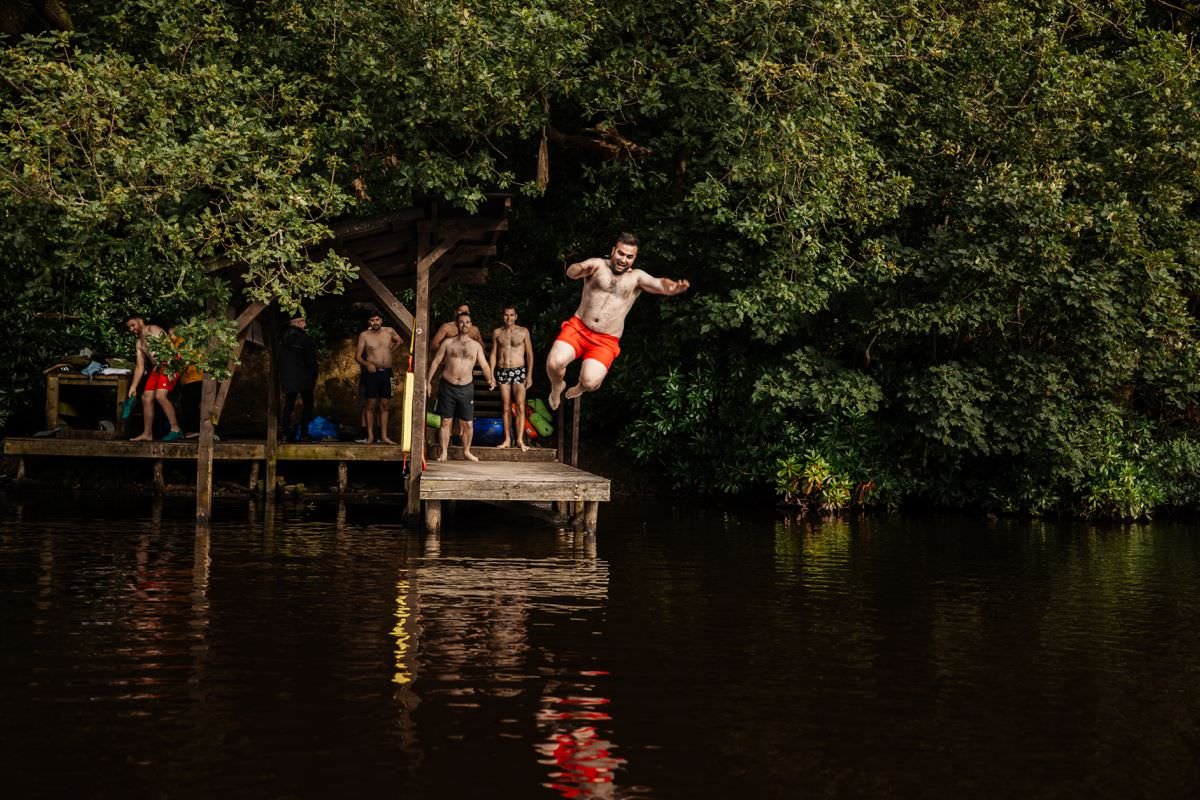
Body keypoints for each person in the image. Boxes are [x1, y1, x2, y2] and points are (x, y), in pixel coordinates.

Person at [547, 232, 690, 409]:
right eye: (621, 253)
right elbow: (574, 270)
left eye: (629, 257)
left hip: (605, 341)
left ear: (634, 258)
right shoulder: (598, 265)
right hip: (579, 328)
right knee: (554, 363)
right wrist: (578, 269)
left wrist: (672, 287)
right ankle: (556, 387)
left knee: (590, 383)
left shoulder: (636, 277)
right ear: (613, 251)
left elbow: (659, 283)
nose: (624, 259)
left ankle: (580, 387)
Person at [427, 311, 496, 462]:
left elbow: (484, 365)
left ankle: (466, 451)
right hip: (448, 386)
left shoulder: (476, 346)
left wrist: (490, 379)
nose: (464, 325)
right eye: (461, 322)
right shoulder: (448, 343)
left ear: (471, 325)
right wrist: (428, 381)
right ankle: (444, 452)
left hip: (466, 388)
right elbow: (436, 361)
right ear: (457, 324)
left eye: (467, 322)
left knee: (468, 423)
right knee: (446, 421)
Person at [431, 302, 484, 444]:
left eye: (466, 313)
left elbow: (481, 350)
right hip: (448, 379)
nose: (464, 322)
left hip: (466, 383)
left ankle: (462, 444)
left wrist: (472, 360)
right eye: (460, 312)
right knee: (446, 419)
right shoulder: (447, 329)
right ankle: (444, 449)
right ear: (456, 314)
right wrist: (446, 359)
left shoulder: (474, 331)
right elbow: (434, 346)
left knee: (466, 420)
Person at [125, 314, 184, 442]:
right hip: (157, 368)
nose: (131, 329)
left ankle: (176, 429)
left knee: (160, 396)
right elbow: (140, 367)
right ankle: (147, 433)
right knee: (146, 398)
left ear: (140, 321)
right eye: (129, 327)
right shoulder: (139, 343)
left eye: (133, 325)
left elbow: (170, 348)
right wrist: (133, 387)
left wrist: (171, 368)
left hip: (169, 363)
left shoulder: (153, 329)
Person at [489, 305, 534, 451]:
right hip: (503, 371)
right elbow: (494, 354)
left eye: (511, 315)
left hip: (519, 370)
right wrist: (491, 375)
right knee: (506, 406)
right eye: (506, 315)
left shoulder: (523, 331)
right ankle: (507, 439)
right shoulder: (497, 332)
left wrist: (529, 375)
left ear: (516, 316)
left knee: (520, 405)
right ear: (503, 316)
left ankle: (520, 440)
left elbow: (529, 355)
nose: (509, 318)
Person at [355, 309, 403, 444]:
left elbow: (400, 341)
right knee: (370, 404)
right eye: (372, 320)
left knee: (385, 404)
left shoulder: (389, 331)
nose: (375, 322)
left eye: (377, 319)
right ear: (368, 322)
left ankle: (384, 436)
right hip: (372, 373)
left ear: (381, 320)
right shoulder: (364, 335)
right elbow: (357, 356)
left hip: (387, 372)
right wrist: (366, 363)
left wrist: (390, 351)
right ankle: (370, 437)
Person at [279, 312, 318, 443]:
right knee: (308, 405)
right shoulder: (304, 338)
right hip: (304, 378)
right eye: (303, 321)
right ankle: (304, 434)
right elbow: (310, 360)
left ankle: (285, 435)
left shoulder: (282, 338)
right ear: (297, 323)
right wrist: (314, 376)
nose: (305, 324)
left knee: (289, 405)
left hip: (288, 377)